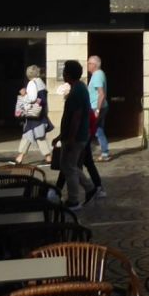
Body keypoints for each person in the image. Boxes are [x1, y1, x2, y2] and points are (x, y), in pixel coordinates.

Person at [49, 60, 93, 209]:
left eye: (64, 71)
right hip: (74, 135)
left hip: (75, 137)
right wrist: (60, 136)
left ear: (68, 74)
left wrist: (71, 139)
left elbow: (76, 117)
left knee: (68, 167)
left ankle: (73, 200)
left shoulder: (76, 92)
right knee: (70, 166)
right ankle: (89, 188)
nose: (63, 73)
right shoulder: (79, 88)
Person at [13, 65, 53, 164]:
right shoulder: (41, 83)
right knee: (36, 135)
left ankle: (20, 156)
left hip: (34, 114)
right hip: (40, 113)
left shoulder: (32, 83)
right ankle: (46, 157)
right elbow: (42, 99)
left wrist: (24, 94)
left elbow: (31, 98)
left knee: (30, 134)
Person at [87, 55, 111, 161]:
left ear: (95, 65)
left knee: (92, 130)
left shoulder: (97, 75)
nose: (87, 65)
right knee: (99, 130)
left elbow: (101, 94)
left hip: (96, 107)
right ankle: (105, 153)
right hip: (99, 106)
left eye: (89, 63)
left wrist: (97, 109)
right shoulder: (98, 74)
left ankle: (86, 152)